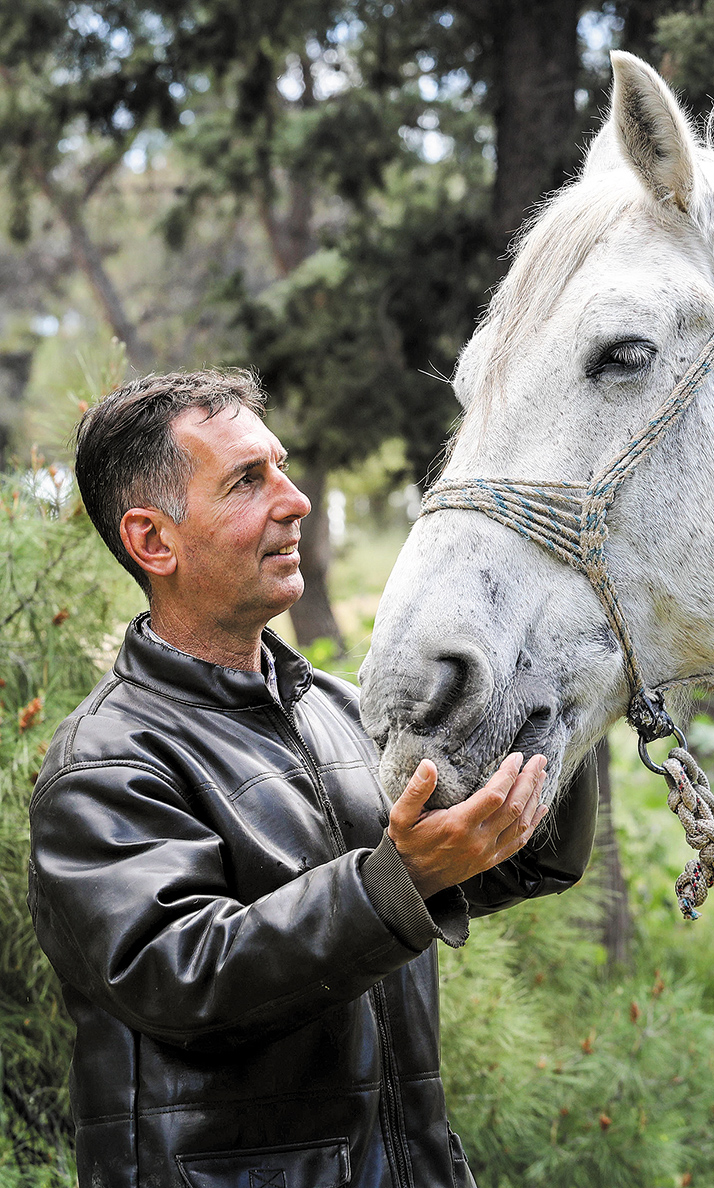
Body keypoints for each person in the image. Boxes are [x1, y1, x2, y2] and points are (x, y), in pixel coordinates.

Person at [28, 370, 598, 1188]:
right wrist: (397, 883)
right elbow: (189, 978)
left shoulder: (343, 712)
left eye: (282, 467)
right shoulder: (106, 764)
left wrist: (565, 697)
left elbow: (522, 860)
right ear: (155, 541)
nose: (294, 501)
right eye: (247, 482)